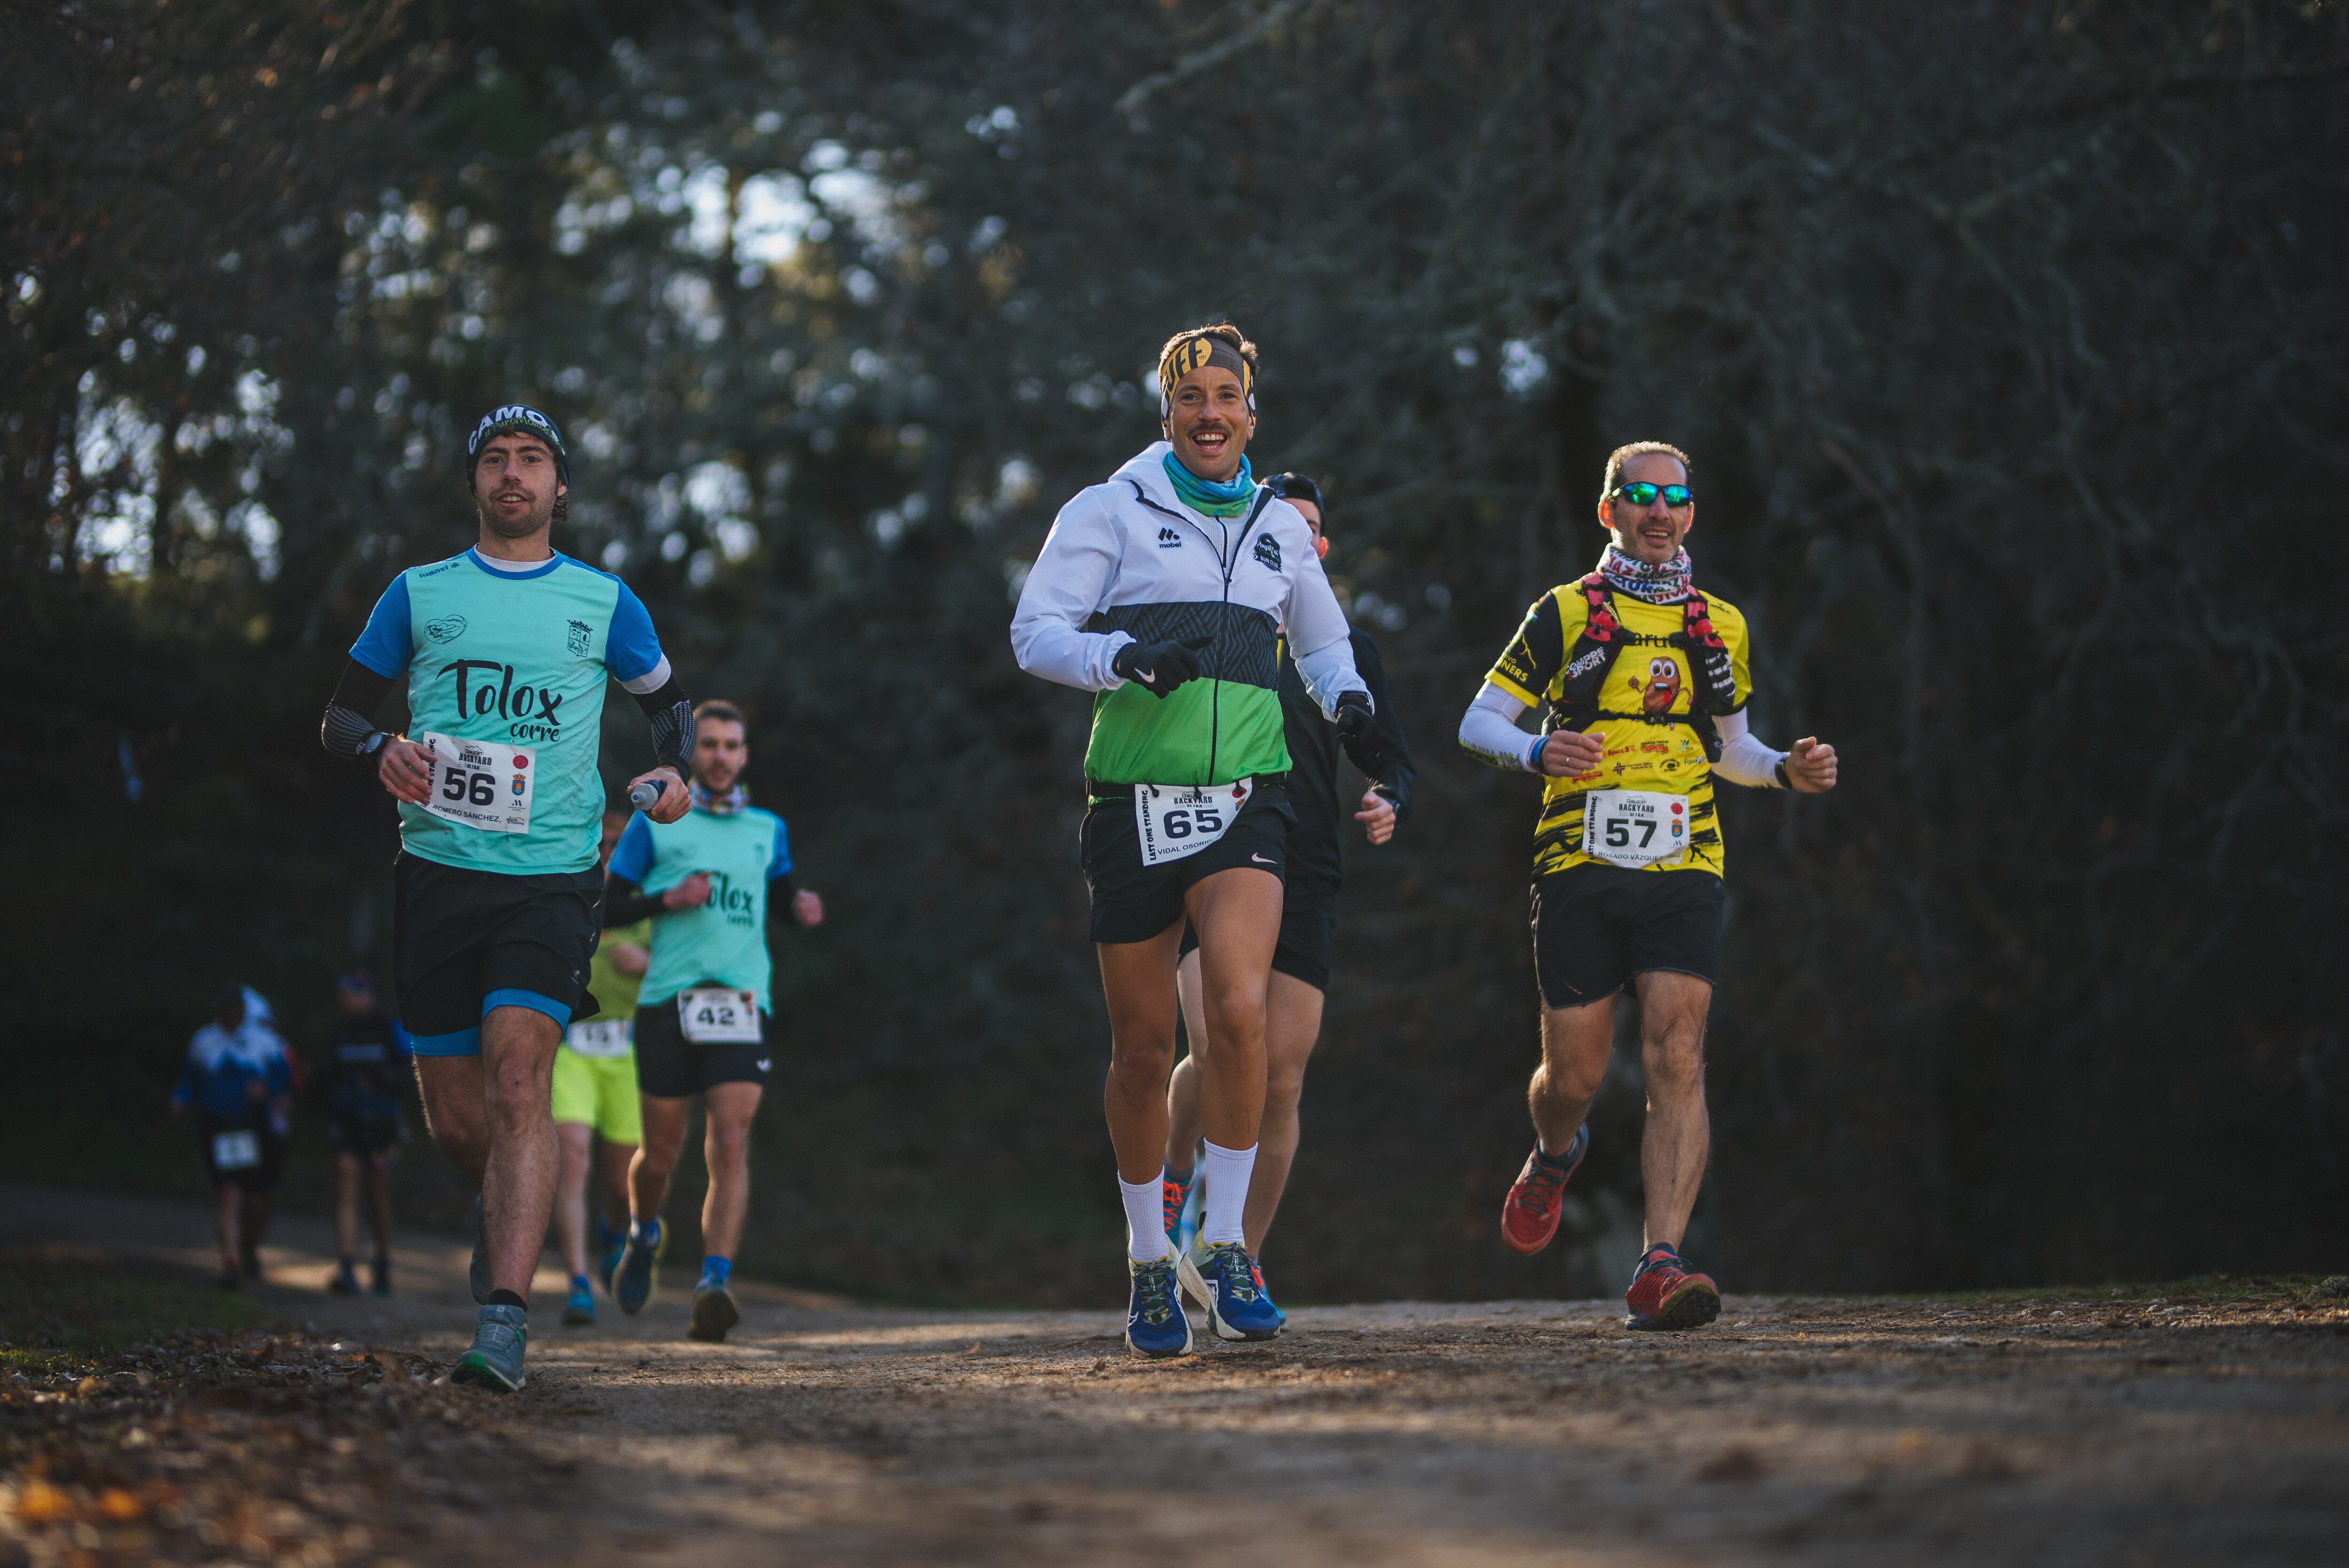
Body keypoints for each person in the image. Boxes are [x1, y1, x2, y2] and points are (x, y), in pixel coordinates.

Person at [1011, 323, 1375, 1357]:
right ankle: (1141, 1263)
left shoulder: (1276, 524)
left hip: (1245, 799)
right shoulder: (1109, 509)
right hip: (1132, 800)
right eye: (1189, 398)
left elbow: (1320, 637)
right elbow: (1035, 632)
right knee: (1139, 1052)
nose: (1209, 412)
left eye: (1226, 395)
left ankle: (1223, 1243)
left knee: (1242, 1010)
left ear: (1252, 413)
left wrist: (1350, 704)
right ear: (1164, 413)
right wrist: (1118, 659)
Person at [317, 403, 694, 1390]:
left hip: (553, 882)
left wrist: (672, 774)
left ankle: (504, 1319)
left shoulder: (604, 601)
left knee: (522, 1080)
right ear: (476, 482)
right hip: (437, 875)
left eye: (532, 460)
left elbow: (670, 712)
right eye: (496, 459)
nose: (513, 474)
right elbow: (341, 715)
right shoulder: (419, 593)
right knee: (458, 1120)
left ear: (559, 487)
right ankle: (503, 1222)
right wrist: (380, 746)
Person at [1457, 441, 1839, 1331]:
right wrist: (1535, 748)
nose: (1659, 512)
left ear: (1691, 513)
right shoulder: (1562, 612)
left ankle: (1660, 1259)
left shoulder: (1720, 623)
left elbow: (1731, 746)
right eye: (1641, 496)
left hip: (1686, 857)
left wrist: (1786, 768)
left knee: (1678, 1049)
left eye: (1675, 497)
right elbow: (1479, 718)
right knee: (1577, 1073)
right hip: (1579, 858)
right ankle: (1555, 1152)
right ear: (1611, 511)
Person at [1161, 473, 1416, 1310]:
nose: (1296, 539)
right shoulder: (1209, 633)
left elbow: (1394, 755)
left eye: (1310, 529)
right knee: (1220, 1035)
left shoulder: (1347, 649)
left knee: (1282, 1080)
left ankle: (1237, 1258)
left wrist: (1388, 797)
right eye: (1284, 526)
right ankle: (1170, 1177)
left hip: (1306, 871)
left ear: (1322, 548)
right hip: (1214, 856)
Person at [604, 700, 824, 1343]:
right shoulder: (655, 824)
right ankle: (645, 1233)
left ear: (744, 755)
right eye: (711, 745)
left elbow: (780, 900)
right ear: (693, 755)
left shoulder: (768, 828)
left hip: (743, 1004)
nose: (722, 755)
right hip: (667, 1003)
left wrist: (801, 908)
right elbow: (609, 907)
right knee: (660, 1158)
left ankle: (714, 1281)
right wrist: (668, 898)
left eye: (732, 745)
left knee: (730, 1142)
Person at [551, 809, 651, 1326]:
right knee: (573, 1161)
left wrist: (649, 962)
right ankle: (578, 1282)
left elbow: (685, 968)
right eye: (603, 842)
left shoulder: (644, 907)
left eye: (618, 844)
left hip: (626, 1056)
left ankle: (614, 1233)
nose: (610, 852)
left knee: (620, 1179)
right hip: (571, 1051)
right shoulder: (572, 901)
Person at [168, 984, 294, 1289]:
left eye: (235, 1012)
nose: (230, 1017)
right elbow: (189, 1078)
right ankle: (230, 1262)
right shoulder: (204, 1041)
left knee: (255, 1196)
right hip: (218, 1127)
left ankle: (247, 1245)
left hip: (252, 1127)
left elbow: (284, 1078)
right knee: (229, 1191)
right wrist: (180, 1098)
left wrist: (267, 1091)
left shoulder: (264, 1042)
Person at [319, 971, 411, 1296]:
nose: (346, 999)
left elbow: (411, 1069)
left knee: (378, 1192)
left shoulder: (389, 1027)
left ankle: (383, 1261)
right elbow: (327, 1072)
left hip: (382, 1126)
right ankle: (346, 1265)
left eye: (352, 993)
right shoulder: (340, 1031)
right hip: (346, 1122)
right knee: (346, 1183)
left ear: (368, 995)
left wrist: (384, 1080)